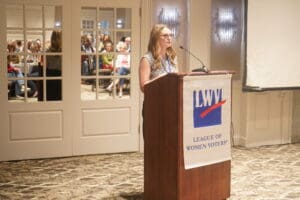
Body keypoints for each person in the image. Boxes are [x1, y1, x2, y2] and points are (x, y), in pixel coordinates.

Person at [139, 24, 177, 93]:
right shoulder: (147, 59)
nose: (169, 38)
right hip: (155, 100)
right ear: (156, 38)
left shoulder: (172, 57)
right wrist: (160, 78)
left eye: (171, 35)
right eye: (165, 35)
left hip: (172, 98)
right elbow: (143, 87)